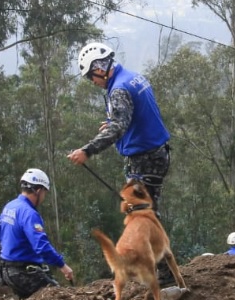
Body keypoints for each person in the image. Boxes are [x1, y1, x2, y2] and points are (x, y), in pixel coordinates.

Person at [67, 42, 174, 284]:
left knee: (143, 216)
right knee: (146, 214)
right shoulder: (132, 77)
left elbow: (118, 127)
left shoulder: (118, 90)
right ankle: (161, 272)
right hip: (155, 153)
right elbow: (135, 114)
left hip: (146, 159)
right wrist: (115, 122)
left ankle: (164, 277)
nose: (93, 82)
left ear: (99, 68)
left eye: (91, 77)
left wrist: (87, 151)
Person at [0, 169, 74, 299]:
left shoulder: (10, 206)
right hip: (22, 273)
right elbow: (42, 246)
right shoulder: (29, 213)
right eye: (45, 192)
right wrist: (63, 266)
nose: (44, 197)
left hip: (7, 270)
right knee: (59, 296)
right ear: (38, 191)